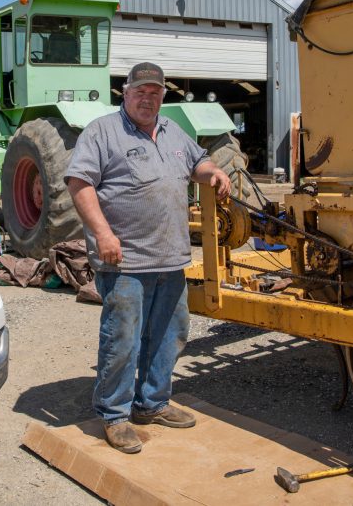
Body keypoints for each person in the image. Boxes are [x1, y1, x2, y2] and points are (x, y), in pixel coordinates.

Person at [65, 62, 231, 454]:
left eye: (154, 91)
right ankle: (114, 415)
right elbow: (79, 183)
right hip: (124, 261)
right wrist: (103, 234)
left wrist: (213, 173)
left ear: (162, 95)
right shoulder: (102, 132)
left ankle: (152, 403)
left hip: (171, 258)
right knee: (122, 340)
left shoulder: (173, 131)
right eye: (140, 91)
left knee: (170, 335)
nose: (147, 97)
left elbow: (197, 161)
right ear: (126, 93)